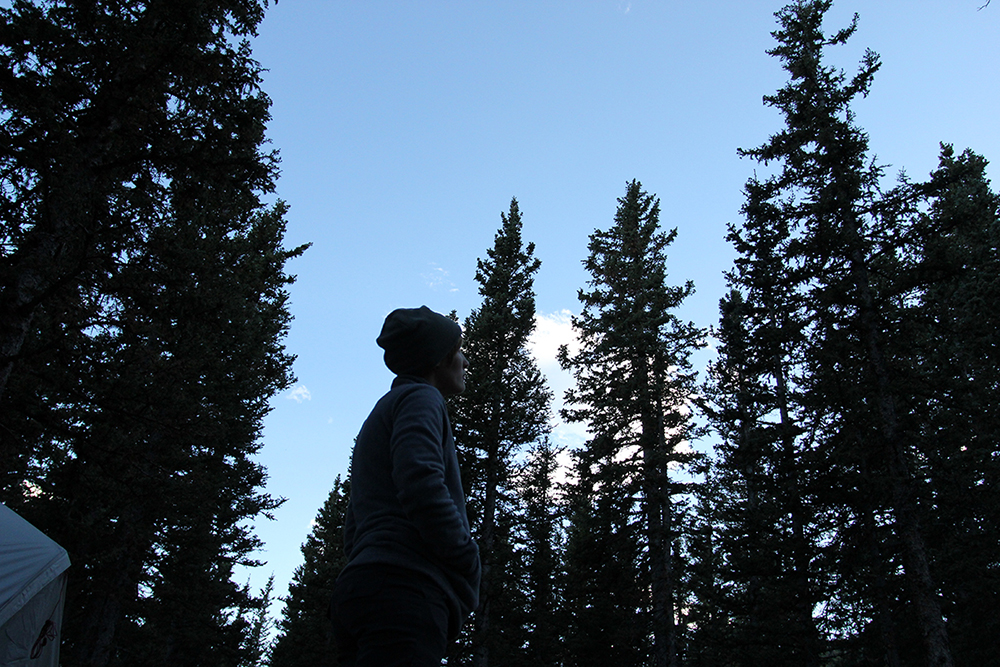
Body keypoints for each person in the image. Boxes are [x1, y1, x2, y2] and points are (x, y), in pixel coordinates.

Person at [330, 306, 480, 666]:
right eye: (458, 351)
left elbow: (354, 525)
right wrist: (465, 555)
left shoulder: (384, 409)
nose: (464, 361)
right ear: (438, 360)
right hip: (406, 590)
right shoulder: (421, 398)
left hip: (360, 588)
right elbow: (419, 479)